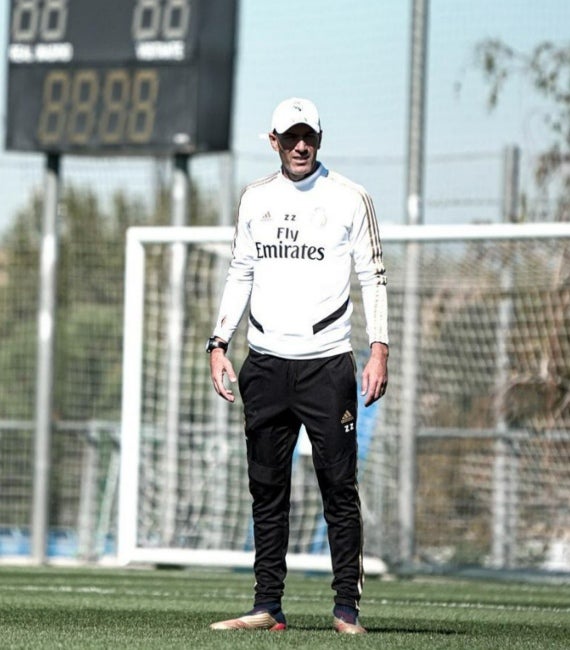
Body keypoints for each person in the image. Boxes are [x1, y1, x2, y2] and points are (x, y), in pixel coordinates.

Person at [207, 97, 389, 635]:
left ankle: (346, 611)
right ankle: (268, 606)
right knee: (266, 487)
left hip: (327, 365)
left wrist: (379, 348)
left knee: (338, 486)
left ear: (320, 138)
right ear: (274, 142)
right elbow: (240, 272)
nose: (300, 146)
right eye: (290, 137)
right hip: (263, 364)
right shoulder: (254, 199)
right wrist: (218, 343)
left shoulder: (351, 198)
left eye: (308, 136)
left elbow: (373, 275)